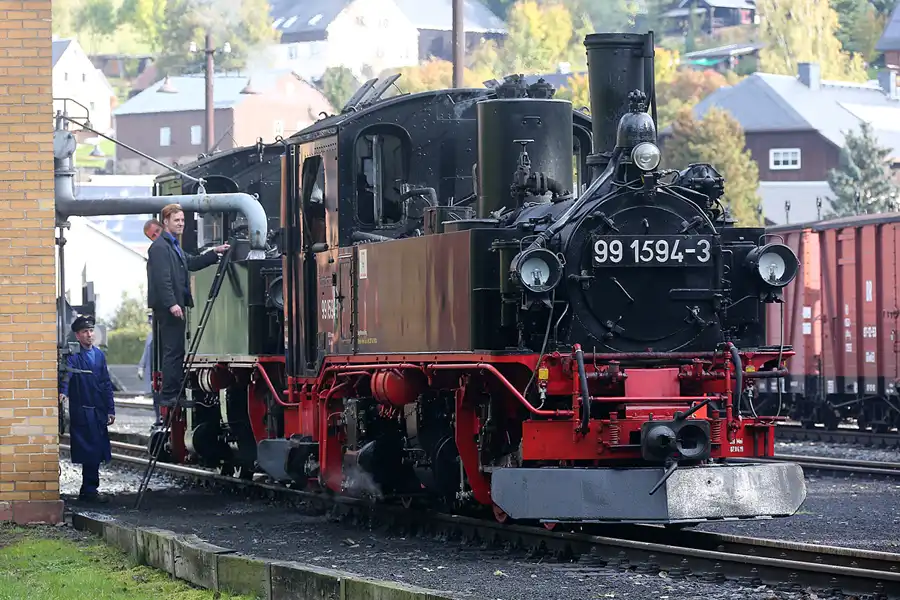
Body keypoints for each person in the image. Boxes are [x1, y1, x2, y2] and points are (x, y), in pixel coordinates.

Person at [147, 203, 229, 407]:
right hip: (169, 308)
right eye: (177, 220)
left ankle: (173, 392)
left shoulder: (173, 245)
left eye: (182, 220)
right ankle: (169, 394)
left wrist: (214, 252)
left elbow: (190, 262)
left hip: (175, 305)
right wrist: (172, 304)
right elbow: (162, 279)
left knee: (176, 350)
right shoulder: (160, 248)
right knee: (172, 350)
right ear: (165, 222)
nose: (181, 224)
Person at [59, 315, 115, 503]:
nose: (89, 334)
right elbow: (67, 376)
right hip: (82, 410)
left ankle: (90, 489)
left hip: (98, 411)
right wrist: (63, 393)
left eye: (91, 331)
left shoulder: (99, 355)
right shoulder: (73, 356)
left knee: (97, 451)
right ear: (77, 335)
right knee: (88, 451)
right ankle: (89, 490)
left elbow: (106, 383)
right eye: (85, 332)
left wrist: (110, 409)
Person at [136, 312, 158, 422]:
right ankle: (158, 419)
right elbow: (146, 352)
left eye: (152, 319)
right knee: (155, 397)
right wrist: (141, 367)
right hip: (152, 371)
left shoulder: (161, 335)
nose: (150, 322)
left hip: (160, 371)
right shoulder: (150, 336)